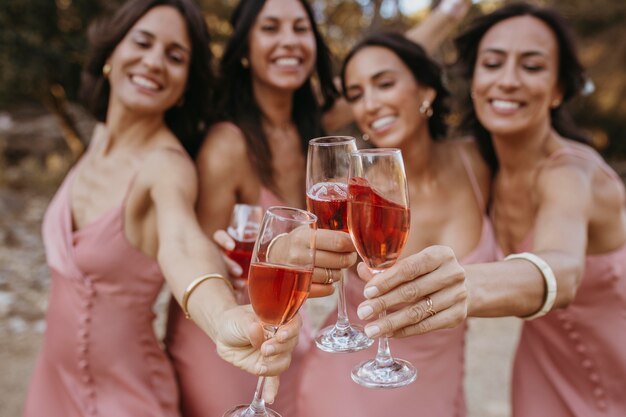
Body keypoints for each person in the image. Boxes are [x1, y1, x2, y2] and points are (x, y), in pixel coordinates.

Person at [165, 0, 474, 415]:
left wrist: (450, 12)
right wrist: (231, 260)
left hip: (288, 335)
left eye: (300, 28)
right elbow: (196, 245)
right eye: (271, 28)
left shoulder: (313, 128)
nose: (288, 40)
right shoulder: (228, 143)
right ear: (244, 47)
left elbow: (394, 69)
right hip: (230, 331)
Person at [22, 1, 301, 416]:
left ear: (186, 83)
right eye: (143, 42)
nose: (154, 62)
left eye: (175, 57)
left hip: (124, 395)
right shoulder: (99, 138)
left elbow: (183, 245)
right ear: (110, 55)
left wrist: (223, 318)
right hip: (51, 382)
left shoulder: (167, 166)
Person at [354, 3, 626, 417]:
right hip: (542, 371)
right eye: (493, 63)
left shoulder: (572, 171)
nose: (508, 80)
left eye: (532, 67)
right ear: (475, 81)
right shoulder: (481, 165)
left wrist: (460, 284)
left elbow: (564, 269)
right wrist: (444, 15)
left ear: (557, 89)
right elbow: (379, 80)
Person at [293, 32, 494, 417]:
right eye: (355, 94)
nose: (370, 104)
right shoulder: (350, 184)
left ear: (427, 90)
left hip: (440, 390)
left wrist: (448, 17)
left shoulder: (478, 163)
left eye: (384, 84)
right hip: (347, 390)